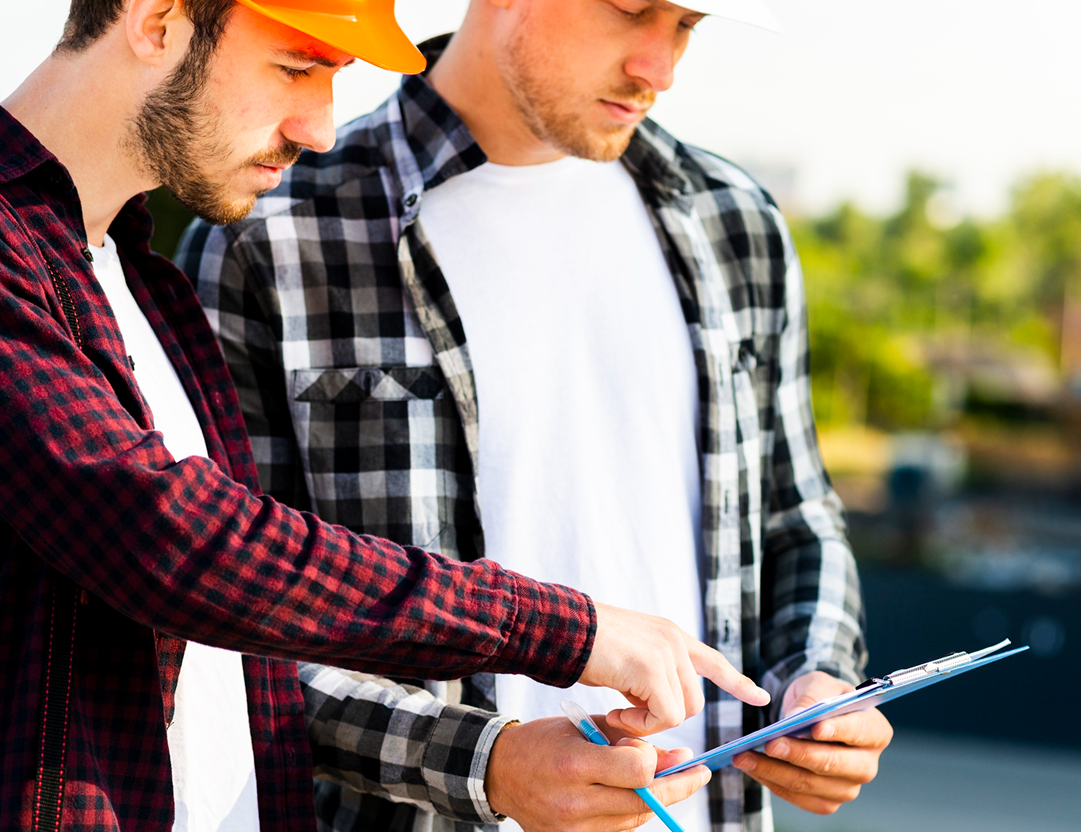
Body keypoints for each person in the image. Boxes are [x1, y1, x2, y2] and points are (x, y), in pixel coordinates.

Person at [0, 1, 775, 830]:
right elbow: (177, 542)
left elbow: (258, 623)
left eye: (335, 79)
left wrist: (491, 756)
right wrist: (562, 629)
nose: (319, 126)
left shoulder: (143, 284)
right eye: (298, 67)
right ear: (155, 18)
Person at [178, 0, 895, 830]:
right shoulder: (274, 231)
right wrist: (489, 767)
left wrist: (821, 682)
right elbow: (230, 617)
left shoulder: (733, 220)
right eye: (631, 11)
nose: (658, 67)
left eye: (687, 26)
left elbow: (797, 515)